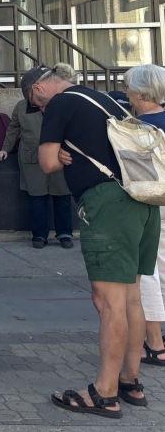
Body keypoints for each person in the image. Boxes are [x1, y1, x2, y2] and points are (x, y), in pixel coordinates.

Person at [29, 63, 160, 417]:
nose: (40, 111)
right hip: (142, 201)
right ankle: (130, 382)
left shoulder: (59, 103)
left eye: (36, 104)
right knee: (132, 296)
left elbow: (45, 163)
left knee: (108, 302)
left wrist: (57, 157)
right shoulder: (106, 99)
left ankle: (104, 392)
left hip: (108, 206)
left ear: (40, 90)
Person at [120, 65, 165, 368]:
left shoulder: (134, 127)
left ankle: (155, 342)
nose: (125, 93)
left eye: (127, 88)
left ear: (139, 92)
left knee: (146, 268)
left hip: (152, 200)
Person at [0, 99, 73, 249]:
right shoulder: (22, 106)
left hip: (59, 155)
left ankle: (65, 234)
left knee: (62, 194)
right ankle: (39, 235)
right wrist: (5, 148)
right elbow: (13, 128)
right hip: (31, 156)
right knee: (37, 197)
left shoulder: (61, 103)